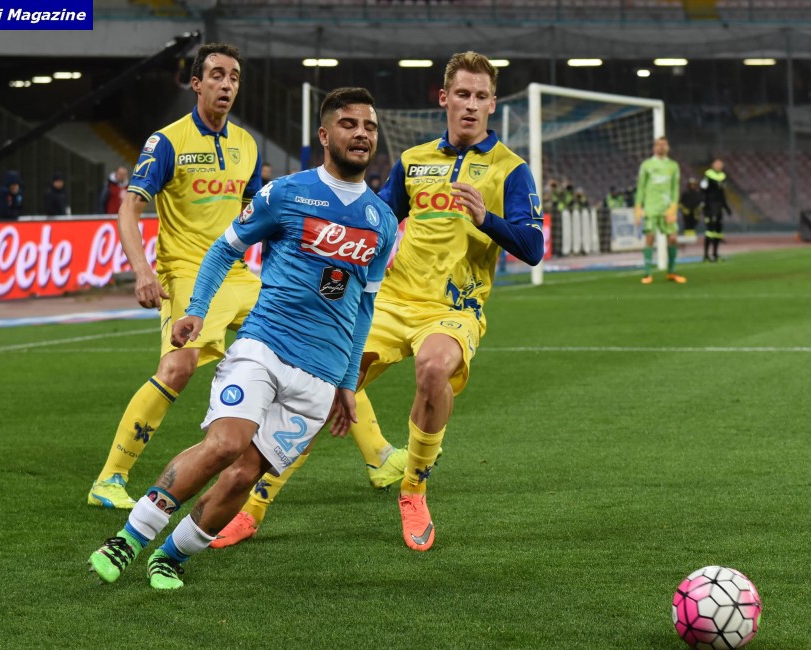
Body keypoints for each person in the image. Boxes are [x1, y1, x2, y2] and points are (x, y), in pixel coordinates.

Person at [214, 51, 545, 552]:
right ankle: (254, 506)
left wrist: (487, 220)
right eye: (462, 94)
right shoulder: (413, 161)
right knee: (321, 393)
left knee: (433, 368)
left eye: (481, 96)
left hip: (453, 309)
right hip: (391, 301)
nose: (471, 104)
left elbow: (533, 247)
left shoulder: (511, 170)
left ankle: (413, 489)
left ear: (493, 104)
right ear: (444, 98)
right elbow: (372, 224)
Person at [87, 87, 397, 589]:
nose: (362, 133)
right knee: (225, 445)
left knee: (247, 473)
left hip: (321, 376)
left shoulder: (382, 221)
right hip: (265, 347)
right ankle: (128, 538)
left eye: (369, 126)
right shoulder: (286, 194)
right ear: (324, 135)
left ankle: (171, 555)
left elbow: (363, 307)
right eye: (349, 124)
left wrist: (346, 382)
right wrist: (196, 310)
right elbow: (223, 250)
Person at [86, 42, 264, 509]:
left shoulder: (247, 145)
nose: (227, 84)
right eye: (218, 75)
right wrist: (142, 270)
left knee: (308, 342)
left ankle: (379, 456)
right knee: (178, 367)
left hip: (238, 275)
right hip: (186, 271)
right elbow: (129, 208)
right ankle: (109, 479)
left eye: (234, 77)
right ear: (196, 83)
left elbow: (254, 214)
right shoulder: (166, 142)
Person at [634, 136, 684, 284]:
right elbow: (641, 187)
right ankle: (647, 273)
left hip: (667, 209)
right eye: (658, 144)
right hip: (651, 208)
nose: (661, 147)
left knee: (673, 238)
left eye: (664, 144)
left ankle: (671, 272)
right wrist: (638, 207)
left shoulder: (673, 166)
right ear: (654, 147)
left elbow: (675, 188)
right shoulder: (646, 165)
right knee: (650, 237)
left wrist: (673, 207)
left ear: (668, 147)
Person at [701, 158, 732, 262]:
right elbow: (703, 190)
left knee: (718, 231)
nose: (718, 166)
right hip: (710, 206)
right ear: (712, 165)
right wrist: (704, 205)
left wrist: (726, 207)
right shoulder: (708, 175)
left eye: (720, 164)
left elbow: (722, 194)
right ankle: (706, 255)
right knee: (710, 231)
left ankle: (715, 254)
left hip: (718, 207)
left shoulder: (723, 176)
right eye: (717, 164)